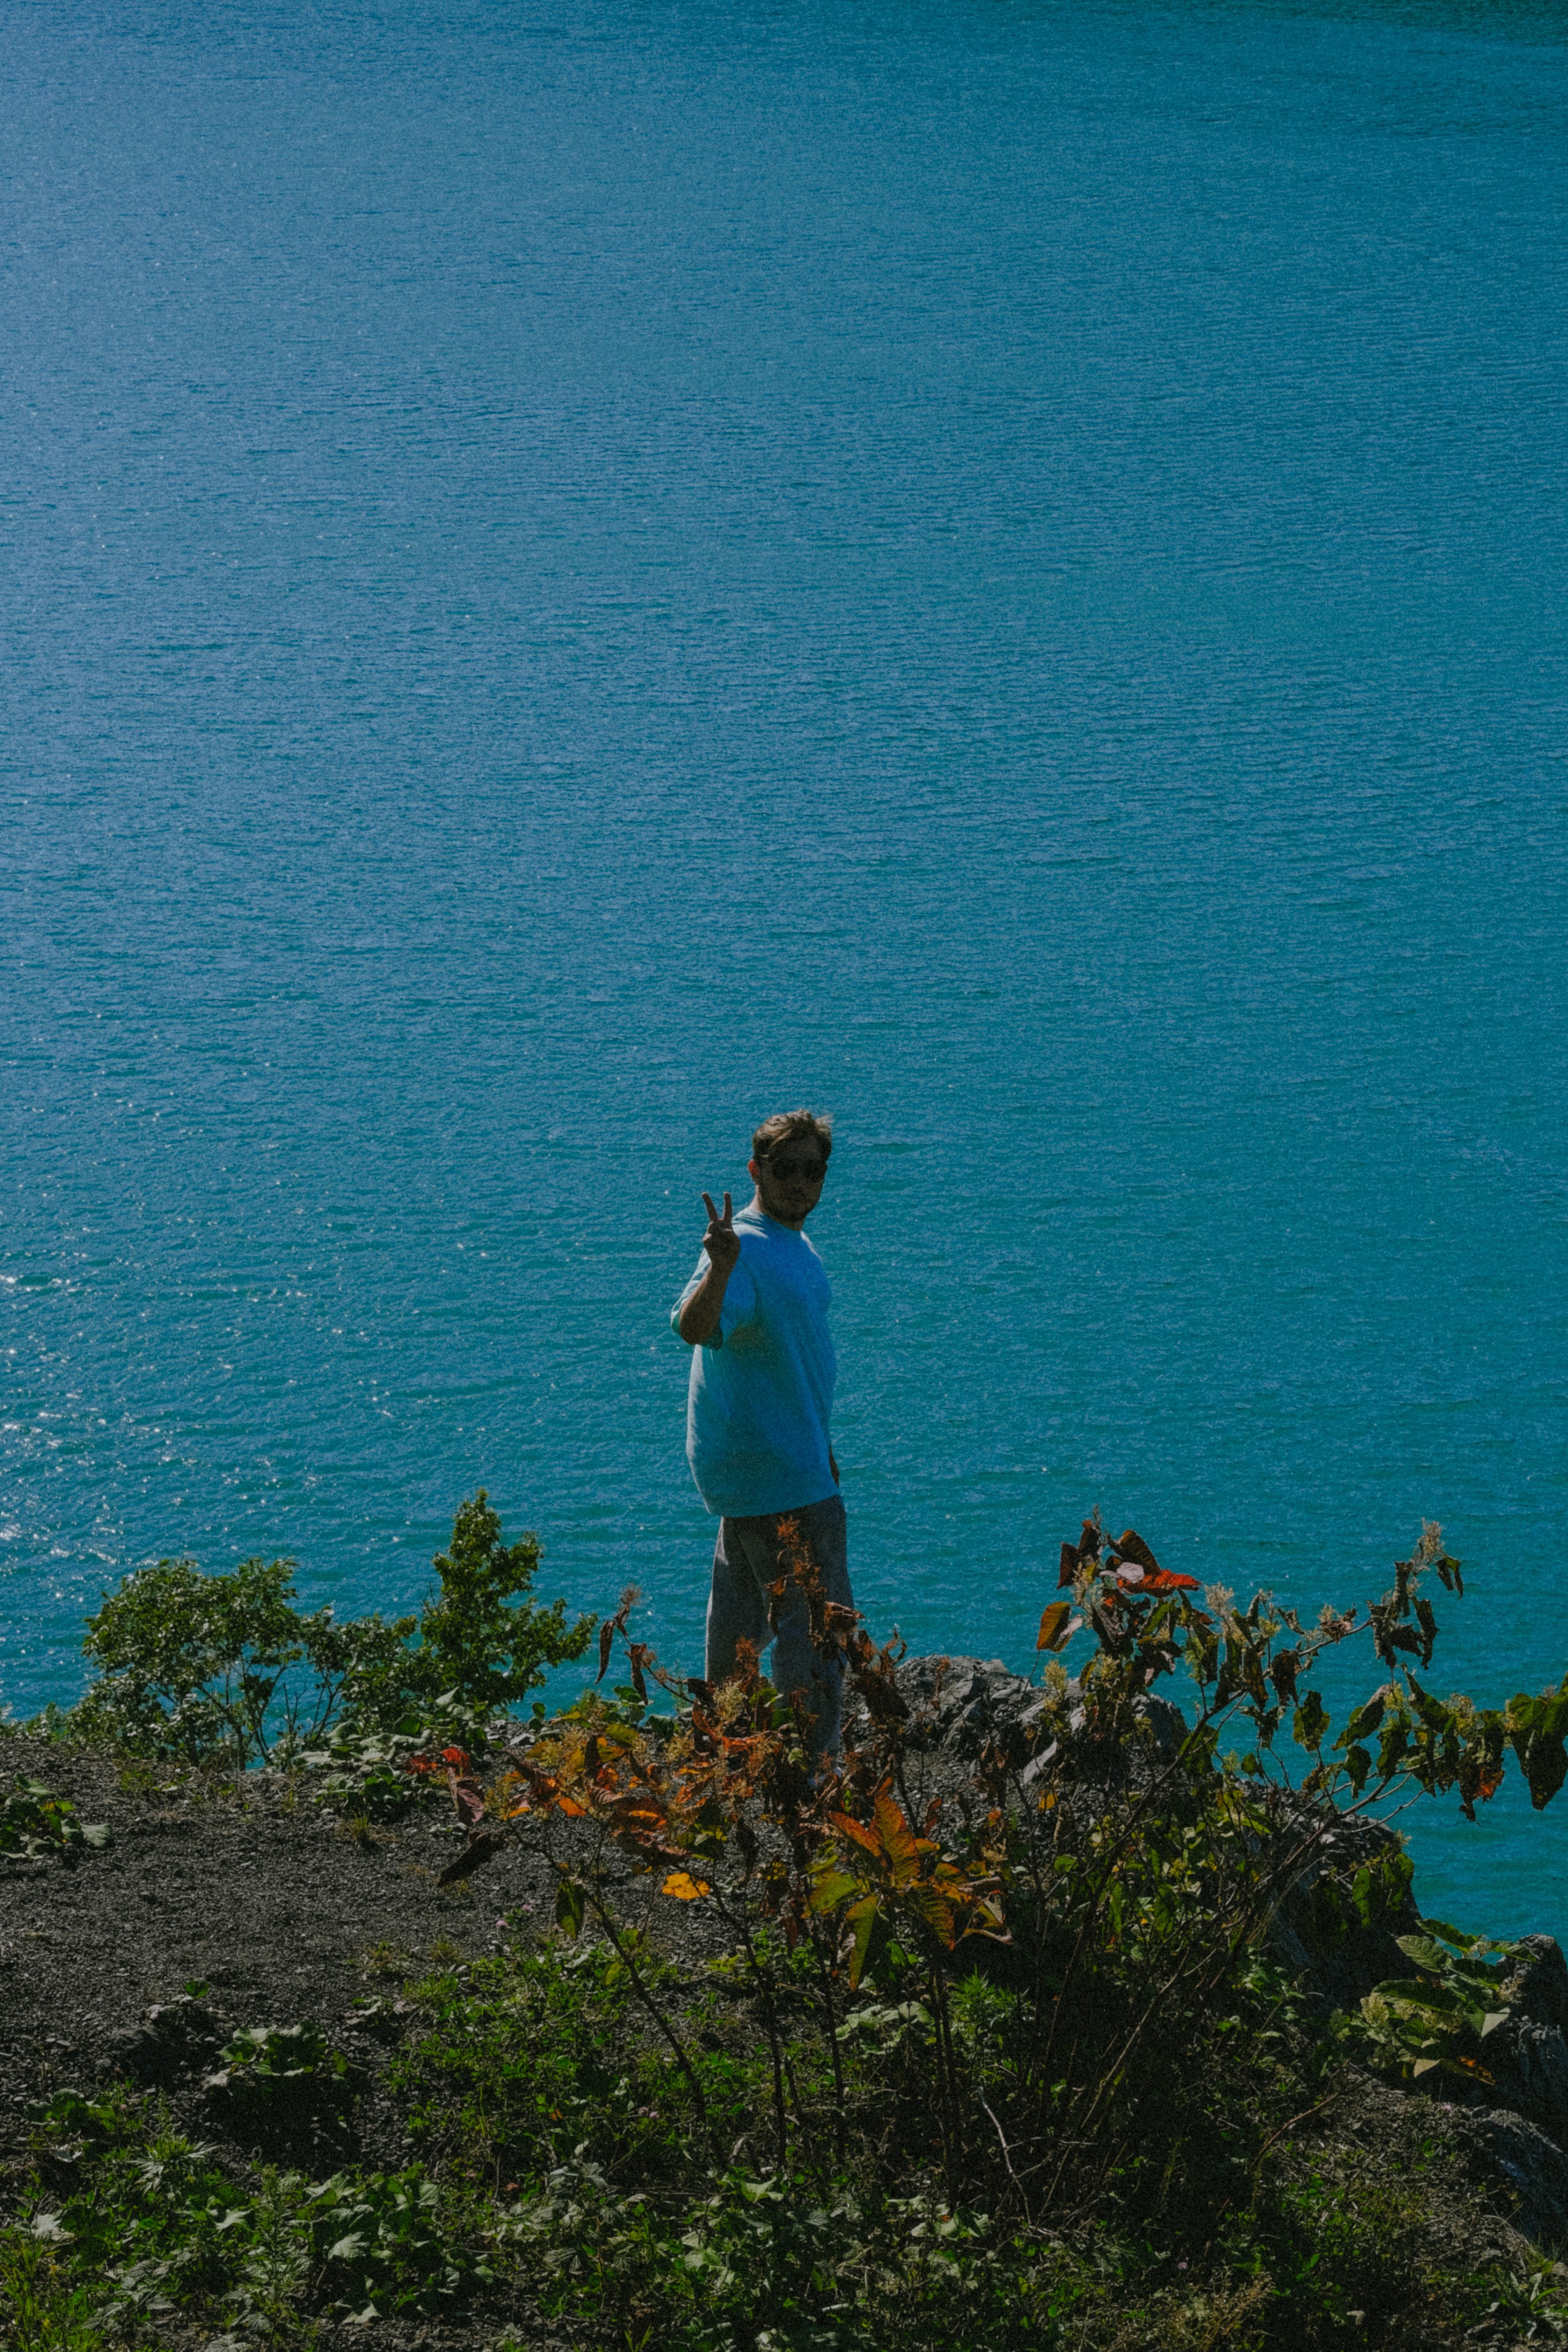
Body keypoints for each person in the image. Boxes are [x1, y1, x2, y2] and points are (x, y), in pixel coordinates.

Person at [672, 1109, 852, 1756]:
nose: (801, 1182)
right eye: (786, 1169)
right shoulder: (742, 1249)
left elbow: (793, 1362)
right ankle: (816, 1779)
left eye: (814, 1170)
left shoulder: (791, 1243)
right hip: (781, 1481)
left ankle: (724, 1762)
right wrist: (719, 1268)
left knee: (739, 1641)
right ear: (755, 1170)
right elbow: (693, 1328)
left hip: (756, 1473)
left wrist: (820, 1447)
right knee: (818, 1640)